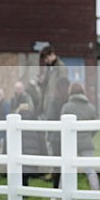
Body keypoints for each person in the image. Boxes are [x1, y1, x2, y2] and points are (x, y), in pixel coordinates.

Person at [37, 45, 69, 189]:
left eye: (46, 58)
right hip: (48, 105)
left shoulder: (60, 68)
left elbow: (61, 87)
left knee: (53, 141)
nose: (45, 61)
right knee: (50, 141)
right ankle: (53, 170)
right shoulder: (51, 69)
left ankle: (56, 172)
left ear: (51, 55)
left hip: (54, 106)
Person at [60, 82, 99, 190]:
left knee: (66, 168)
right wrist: (88, 135)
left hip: (71, 142)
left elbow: (63, 125)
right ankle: (96, 192)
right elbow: (96, 125)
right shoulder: (90, 107)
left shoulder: (66, 107)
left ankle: (60, 194)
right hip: (87, 141)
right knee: (90, 169)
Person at [16, 103, 44, 186]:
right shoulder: (35, 121)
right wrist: (44, 154)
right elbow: (41, 140)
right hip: (33, 152)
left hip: (20, 151)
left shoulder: (15, 122)